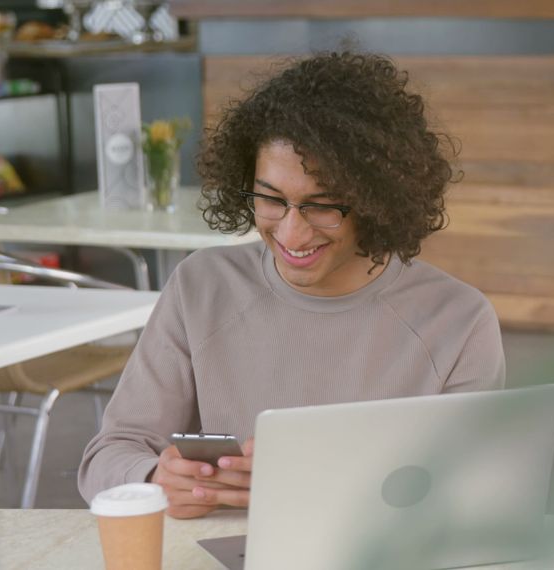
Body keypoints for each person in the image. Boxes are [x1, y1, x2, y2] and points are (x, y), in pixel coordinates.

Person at [78, 51, 505, 519]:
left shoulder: (457, 319)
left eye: (322, 205)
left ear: (378, 201)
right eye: (271, 199)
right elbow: (108, 456)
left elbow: (475, 496)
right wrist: (153, 478)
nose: (291, 233)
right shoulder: (200, 287)